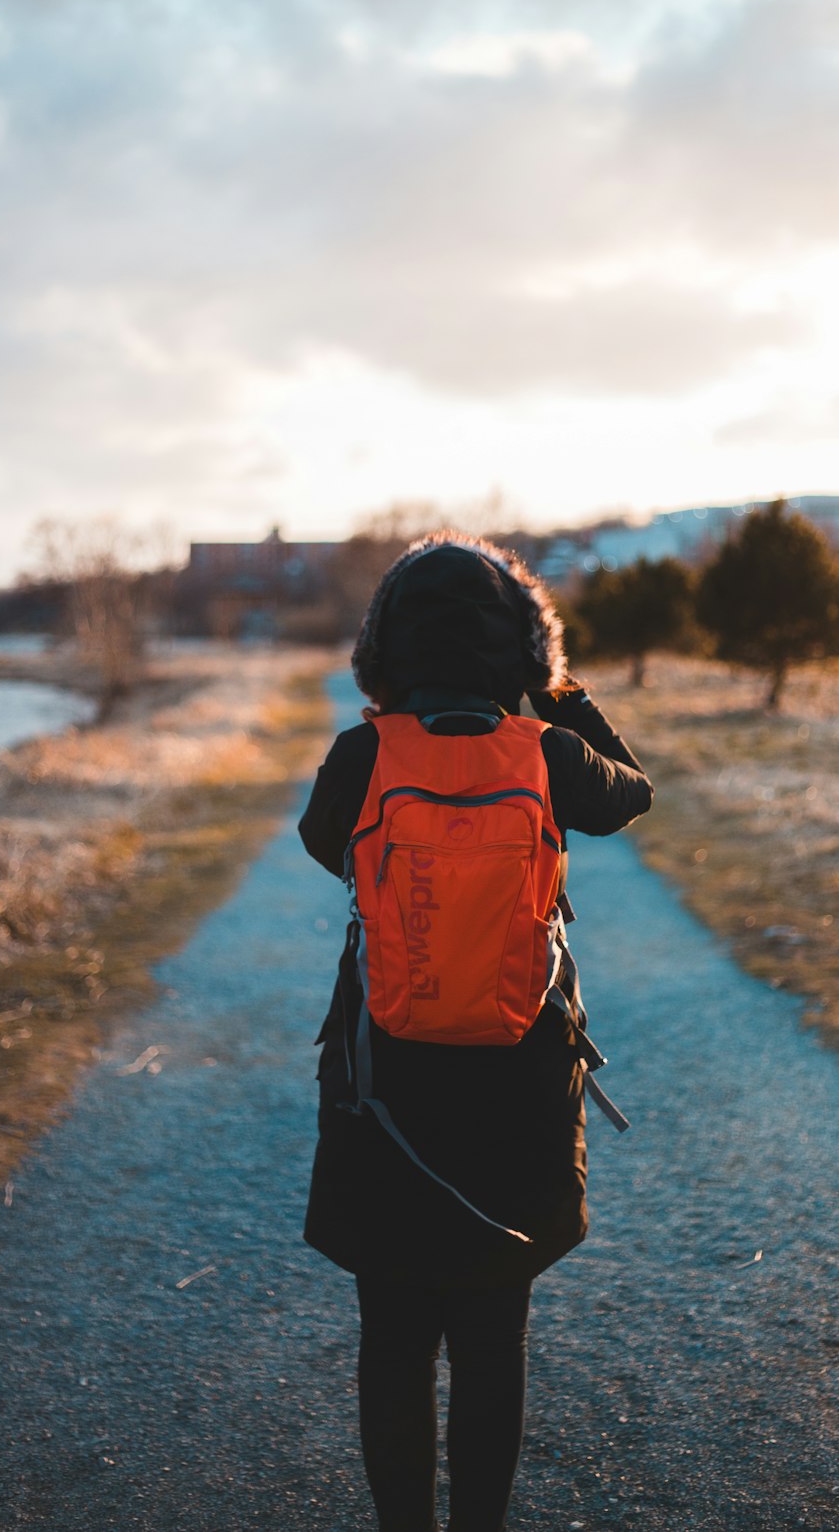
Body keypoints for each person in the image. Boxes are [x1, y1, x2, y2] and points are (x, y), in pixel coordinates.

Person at [298, 533, 653, 1532]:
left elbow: (326, 845)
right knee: (495, 1336)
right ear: (522, 653)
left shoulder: (365, 753)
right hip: (519, 1081)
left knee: (394, 1338)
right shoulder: (548, 756)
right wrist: (561, 696)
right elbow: (635, 792)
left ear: (384, 649)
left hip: (385, 1083)